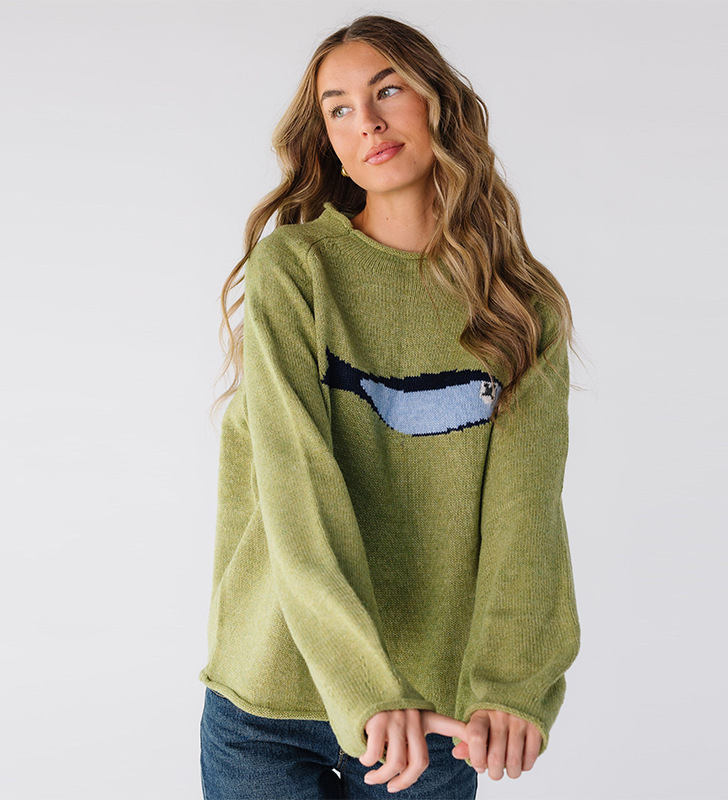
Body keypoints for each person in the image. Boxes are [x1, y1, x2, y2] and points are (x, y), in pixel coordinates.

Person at [198, 13, 581, 800]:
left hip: (431, 714)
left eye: (388, 90)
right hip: (270, 700)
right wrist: (367, 687)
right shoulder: (296, 270)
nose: (366, 121)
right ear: (328, 141)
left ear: (439, 103)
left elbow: (526, 517)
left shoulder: (520, 308)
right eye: (338, 107)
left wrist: (512, 685)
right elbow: (297, 489)